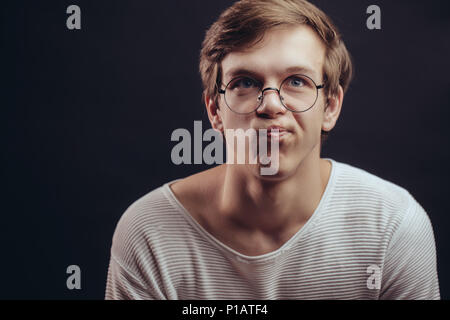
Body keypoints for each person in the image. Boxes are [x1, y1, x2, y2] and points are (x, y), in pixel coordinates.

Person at [105, 0, 440, 299]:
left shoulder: (394, 227)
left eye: (297, 81)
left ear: (331, 106)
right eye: (245, 83)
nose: (270, 105)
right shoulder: (149, 232)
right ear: (214, 110)